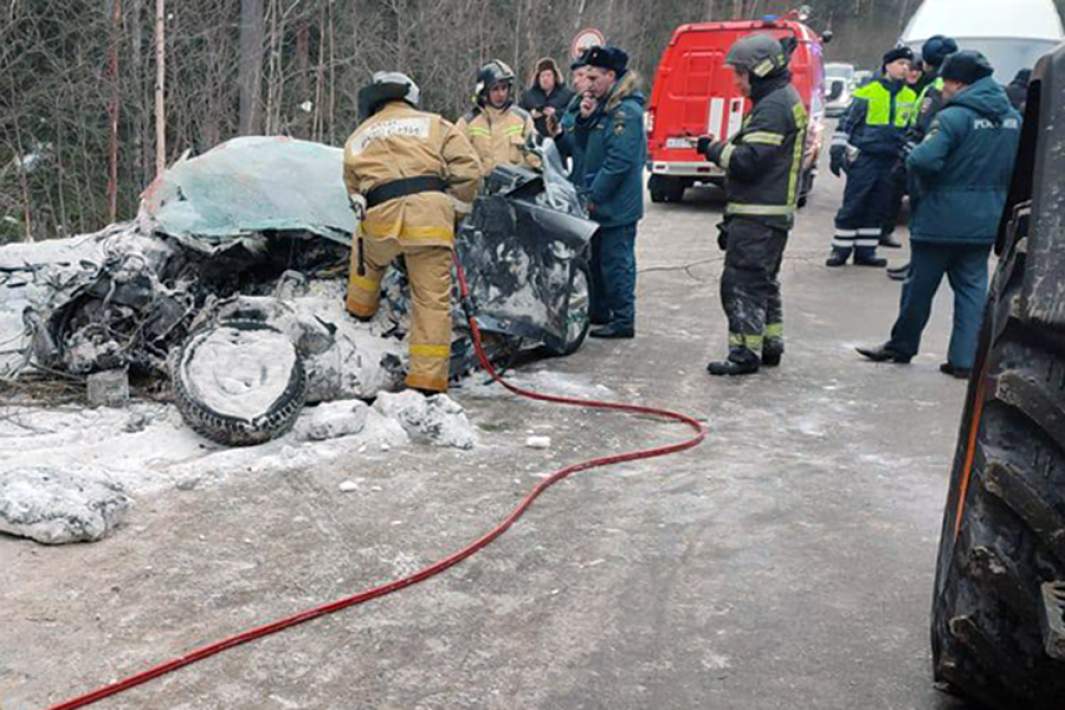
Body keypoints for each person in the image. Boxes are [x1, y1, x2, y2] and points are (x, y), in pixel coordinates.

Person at [856, 51, 1021, 377]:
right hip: (986, 218)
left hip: (940, 219)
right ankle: (964, 360)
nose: (943, 87)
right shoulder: (1013, 119)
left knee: (919, 287)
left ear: (959, 83)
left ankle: (902, 346)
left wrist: (919, 180)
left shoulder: (952, 118)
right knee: (973, 290)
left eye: (946, 81)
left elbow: (922, 161)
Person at [343, 71, 482, 393]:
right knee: (431, 301)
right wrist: (456, 212)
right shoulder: (435, 124)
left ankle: (360, 307)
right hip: (430, 221)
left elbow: (354, 194)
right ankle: (427, 381)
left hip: (380, 221)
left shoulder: (357, 137)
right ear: (409, 98)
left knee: (363, 248)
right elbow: (469, 171)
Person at [694, 33, 808, 376]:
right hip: (770, 214)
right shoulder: (780, 99)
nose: (737, 82)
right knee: (764, 283)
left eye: (740, 74)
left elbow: (747, 161)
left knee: (741, 284)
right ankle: (769, 343)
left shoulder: (773, 107)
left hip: (758, 215)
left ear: (759, 71)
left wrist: (712, 149)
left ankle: (744, 353)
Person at [549, 45, 646, 339]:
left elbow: (618, 163)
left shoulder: (625, 112)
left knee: (617, 263)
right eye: (586, 78)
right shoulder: (601, 106)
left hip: (615, 205)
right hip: (599, 202)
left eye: (594, 78)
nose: (588, 84)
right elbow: (581, 147)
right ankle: (600, 311)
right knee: (597, 261)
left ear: (611, 75)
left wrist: (593, 196)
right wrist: (582, 119)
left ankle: (623, 319)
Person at [827, 46, 917, 267]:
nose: (904, 68)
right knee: (855, 204)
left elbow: (911, 130)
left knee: (878, 206)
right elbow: (847, 123)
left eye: (907, 65)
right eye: (900, 64)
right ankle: (840, 250)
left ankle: (866, 252)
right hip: (866, 157)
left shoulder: (910, 96)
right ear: (887, 66)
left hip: (891, 160)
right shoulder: (868, 92)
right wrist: (837, 149)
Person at [887, 34, 959, 281]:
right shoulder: (950, 86)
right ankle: (915, 265)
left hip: (924, 161)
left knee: (921, 218)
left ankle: (917, 268)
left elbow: (924, 126)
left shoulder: (936, 90)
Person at [457, 60, 540, 175]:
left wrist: (545, 172)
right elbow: (457, 159)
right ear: (484, 92)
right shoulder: (467, 123)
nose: (501, 94)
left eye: (504, 88)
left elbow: (535, 156)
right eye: (495, 89)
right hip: (481, 190)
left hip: (517, 189)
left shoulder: (522, 119)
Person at [519, 57, 575, 136]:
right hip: (535, 140)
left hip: (560, 139)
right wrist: (531, 115)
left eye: (548, 75)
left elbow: (574, 114)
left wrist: (556, 113)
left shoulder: (567, 95)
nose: (545, 79)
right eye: (542, 76)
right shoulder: (528, 96)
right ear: (538, 78)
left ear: (555, 76)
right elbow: (518, 114)